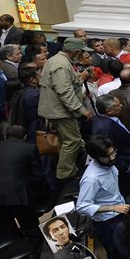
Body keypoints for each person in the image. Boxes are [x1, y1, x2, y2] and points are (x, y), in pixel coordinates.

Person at [0, 126, 45, 242]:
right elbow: (38, 176)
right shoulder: (29, 148)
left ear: (6, 136)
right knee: (30, 228)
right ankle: (37, 250)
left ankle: (17, 252)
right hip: (17, 193)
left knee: (6, 235)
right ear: (25, 137)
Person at [75, 135, 130, 259]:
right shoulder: (91, 179)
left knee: (124, 252)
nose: (113, 157)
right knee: (115, 256)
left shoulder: (109, 164)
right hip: (107, 223)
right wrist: (114, 208)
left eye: (113, 152)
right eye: (108, 156)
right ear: (96, 157)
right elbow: (82, 207)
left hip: (119, 213)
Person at [39, 38, 92, 181]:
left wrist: (79, 79)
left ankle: (67, 170)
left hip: (57, 110)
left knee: (65, 141)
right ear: (75, 51)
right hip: (61, 112)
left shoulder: (56, 60)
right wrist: (82, 110)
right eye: (81, 52)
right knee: (73, 141)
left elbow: (66, 84)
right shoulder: (61, 65)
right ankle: (65, 174)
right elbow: (64, 91)